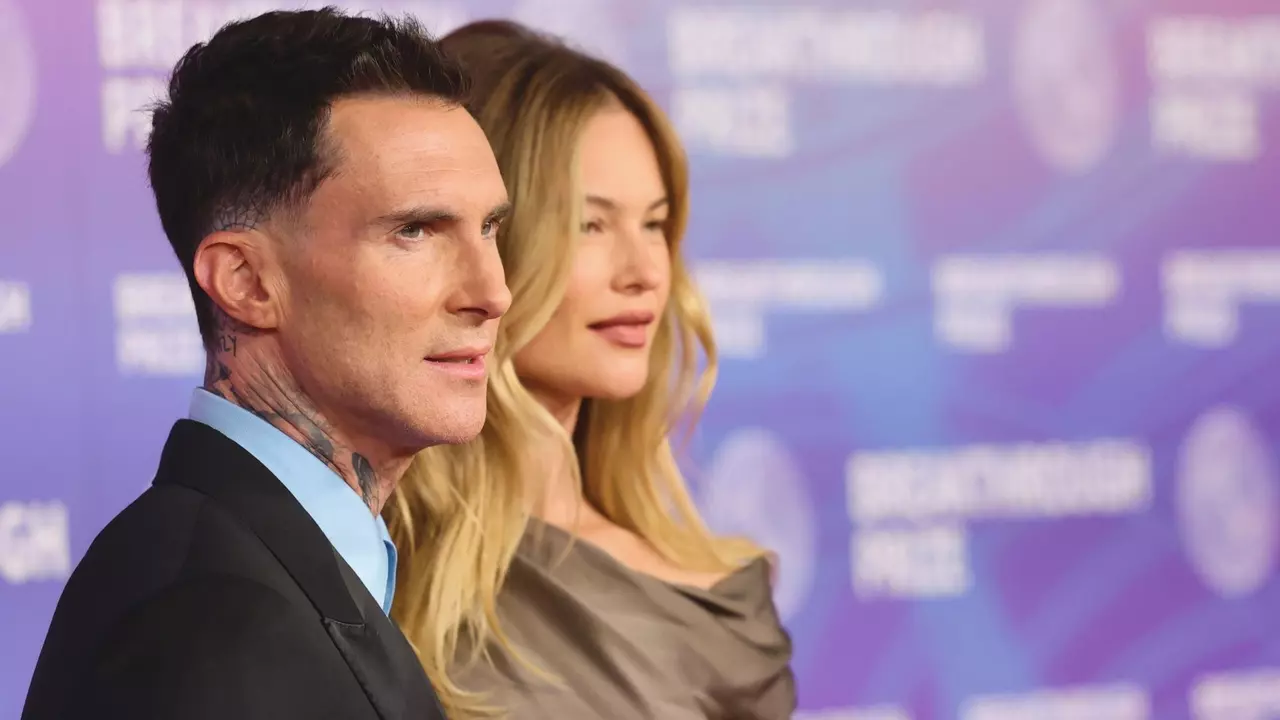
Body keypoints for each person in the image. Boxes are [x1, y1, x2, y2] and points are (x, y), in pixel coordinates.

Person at [22, 9, 511, 719]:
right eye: (415, 231)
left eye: (490, 227)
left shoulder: (272, 566)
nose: (492, 293)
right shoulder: (208, 625)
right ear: (246, 282)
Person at [386, 20, 795, 719]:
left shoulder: (713, 602)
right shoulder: (352, 564)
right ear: (483, 239)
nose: (644, 273)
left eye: (655, 224)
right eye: (590, 225)